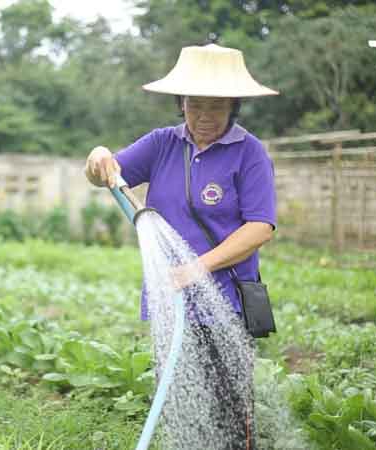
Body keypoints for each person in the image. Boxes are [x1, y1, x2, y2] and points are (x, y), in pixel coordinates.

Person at [84, 43, 278, 450]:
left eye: (216, 107)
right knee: (179, 408)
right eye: (194, 106)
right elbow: (108, 173)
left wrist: (198, 267)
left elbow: (260, 227)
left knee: (229, 415)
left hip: (225, 301)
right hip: (171, 301)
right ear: (180, 103)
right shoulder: (162, 144)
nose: (204, 118)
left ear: (234, 106)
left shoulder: (249, 153)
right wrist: (98, 158)